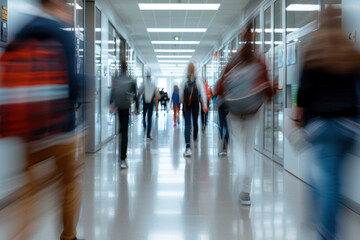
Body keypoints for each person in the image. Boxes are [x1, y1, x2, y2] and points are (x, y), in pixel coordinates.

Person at [0, 0, 82, 239]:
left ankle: (20, 235)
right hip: (61, 128)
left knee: (29, 191)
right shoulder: (63, 35)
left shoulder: (20, 32)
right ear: (56, 3)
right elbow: (72, 86)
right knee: (68, 185)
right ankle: (68, 235)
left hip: (28, 130)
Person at [295, 6, 360, 240]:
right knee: (331, 176)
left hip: (323, 126)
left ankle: (326, 232)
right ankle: (319, 215)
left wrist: (296, 118)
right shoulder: (351, 53)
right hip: (349, 126)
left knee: (328, 180)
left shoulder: (313, 53)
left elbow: (301, 93)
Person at [218, 23, 272, 206]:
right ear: (255, 34)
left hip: (234, 111)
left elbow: (219, 86)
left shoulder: (234, 59)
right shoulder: (259, 59)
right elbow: (268, 87)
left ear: (242, 35)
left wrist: (226, 98)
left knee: (239, 147)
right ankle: (246, 191)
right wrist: (267, 97)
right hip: (253, 110)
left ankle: (241, 173)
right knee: (249, 148)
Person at [110, 61, 137, 169]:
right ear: (127, 69)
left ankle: (121, 154)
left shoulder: (116, 79)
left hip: (119, 107)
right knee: (125, 132)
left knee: (121, 129)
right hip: (126, 107)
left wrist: (111, 104)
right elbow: (134, 94)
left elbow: (113, 92)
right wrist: (136, 108)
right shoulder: (130, 79)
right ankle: (123, 158)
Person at [181, 62, 208, 157]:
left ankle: (188, 147)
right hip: (196, 105)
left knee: (187, 125)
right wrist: (204, 103)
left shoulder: (184, 80)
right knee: (195, 122)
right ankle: (195, 137)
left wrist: (182, 101)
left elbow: (181, 94)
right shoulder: (198, 80)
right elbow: (203, 92)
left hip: (186, 105)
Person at [138, 73, 158, 142]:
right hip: (151, 103)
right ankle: (148, 136)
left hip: (145, 102)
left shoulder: (143, 84)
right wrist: (156, 109)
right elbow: (156, 97)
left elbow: (139, 93)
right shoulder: (153, 85)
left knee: (144, 115)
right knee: (149, 119)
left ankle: (144, 124)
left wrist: (137, 104)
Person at [214, 80, 229, 156]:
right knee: (227, 125)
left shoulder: (220, 81)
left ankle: (221, 138)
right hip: (228, 105)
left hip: (221, 104)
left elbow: (215, 93)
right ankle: (226, 141)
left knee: (221, 123)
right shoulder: (230, 80)